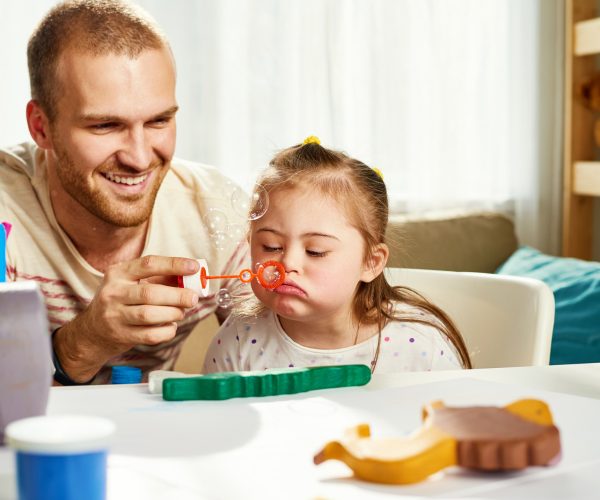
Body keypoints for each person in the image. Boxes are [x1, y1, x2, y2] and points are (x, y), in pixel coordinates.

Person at [0, 0, 249, 384]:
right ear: (41, 127)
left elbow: (280, 367)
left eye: (159, 120)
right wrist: (83, 342)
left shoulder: (215, 211)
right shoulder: (7, 214)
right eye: (105, 125)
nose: (139, 157)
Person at [203, 137, 471, 374]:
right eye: (271, 246)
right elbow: (221, 425)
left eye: (315, 251)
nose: (288, 264)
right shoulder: (239, 339)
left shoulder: (420, 344)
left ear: (371, 262)